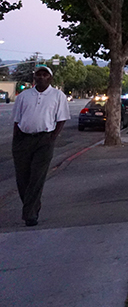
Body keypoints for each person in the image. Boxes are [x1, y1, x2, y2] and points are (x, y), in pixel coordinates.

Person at [12, 65, 70, 226]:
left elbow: (62, 118)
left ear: (50, 78)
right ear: (34, 78)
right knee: (23, 178)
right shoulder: (24, 96)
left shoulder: (58, 95)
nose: (41, 77)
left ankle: (29, 215)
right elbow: (17, 120)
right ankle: (33, 206)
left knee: (37, 177)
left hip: (44, 139)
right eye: (39, 74)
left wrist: (52, 137)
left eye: (45, 74)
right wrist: (16, 140)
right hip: (23, 139)